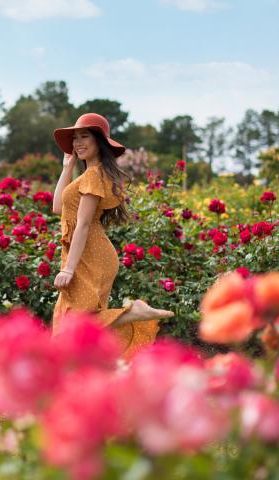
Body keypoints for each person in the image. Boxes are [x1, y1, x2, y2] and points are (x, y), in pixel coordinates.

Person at [51, 113, 173, 358]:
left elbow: (84, 224)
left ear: (99, 142)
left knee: (76, 325)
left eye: (84, 136)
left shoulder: (95, 176)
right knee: (68, 324)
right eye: (75, 138)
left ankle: (131, 313)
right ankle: (89, 377)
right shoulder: (87, 175)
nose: (77, 143)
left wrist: (68, 269)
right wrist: (67, 168)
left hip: (91, 256)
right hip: (84, 254)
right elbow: (57, 207)